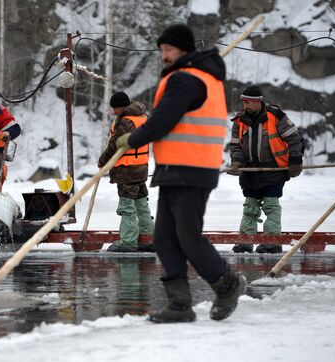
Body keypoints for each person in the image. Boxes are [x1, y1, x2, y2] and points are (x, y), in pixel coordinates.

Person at [116, 23, 245, 322]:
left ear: (184, 50)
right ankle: (179, 305)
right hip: (177, 168)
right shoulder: (197, 77)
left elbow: (162, 119)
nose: (164, 55)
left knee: (187, 236)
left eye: (169, 50)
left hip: (192, 167)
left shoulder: (186, 80)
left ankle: (227, 284)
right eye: (162, 50)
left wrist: (131, 138)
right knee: (164, 238)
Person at [228, 86, 303, 253]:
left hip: (274, 170)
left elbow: (294, 138)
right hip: (250, 172)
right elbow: (235, 146)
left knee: (271, 205)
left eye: (248, 102)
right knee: (250, 207)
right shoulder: (239, 121)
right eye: (244, 102)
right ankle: (245, 241)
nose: (245, 105)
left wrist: (295, 161)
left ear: (257, 101)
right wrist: (237, 164)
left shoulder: (276, 117)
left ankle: (272, 241)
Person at [98, 92, 155, 253]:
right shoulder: (142, 118)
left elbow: (115, 146)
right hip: (140, 168)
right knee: (141, 203)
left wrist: (102, 161)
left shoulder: (125, 122)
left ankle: (128, 241)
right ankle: (149, 237)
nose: (114, 112)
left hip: (127, 170)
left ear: (120, 107)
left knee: (127, 206)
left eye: (114, 108)